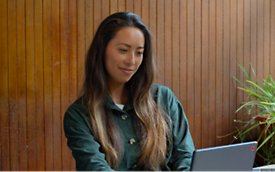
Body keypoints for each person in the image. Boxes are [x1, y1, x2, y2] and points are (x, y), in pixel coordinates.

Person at [63, 12, 194, 171]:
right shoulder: (79, 114)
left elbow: (186, 157)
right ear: (102, 50)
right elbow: (95, 167)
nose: (132, 61)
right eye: (123, 50)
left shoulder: (163, 98)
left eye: (139, 53)